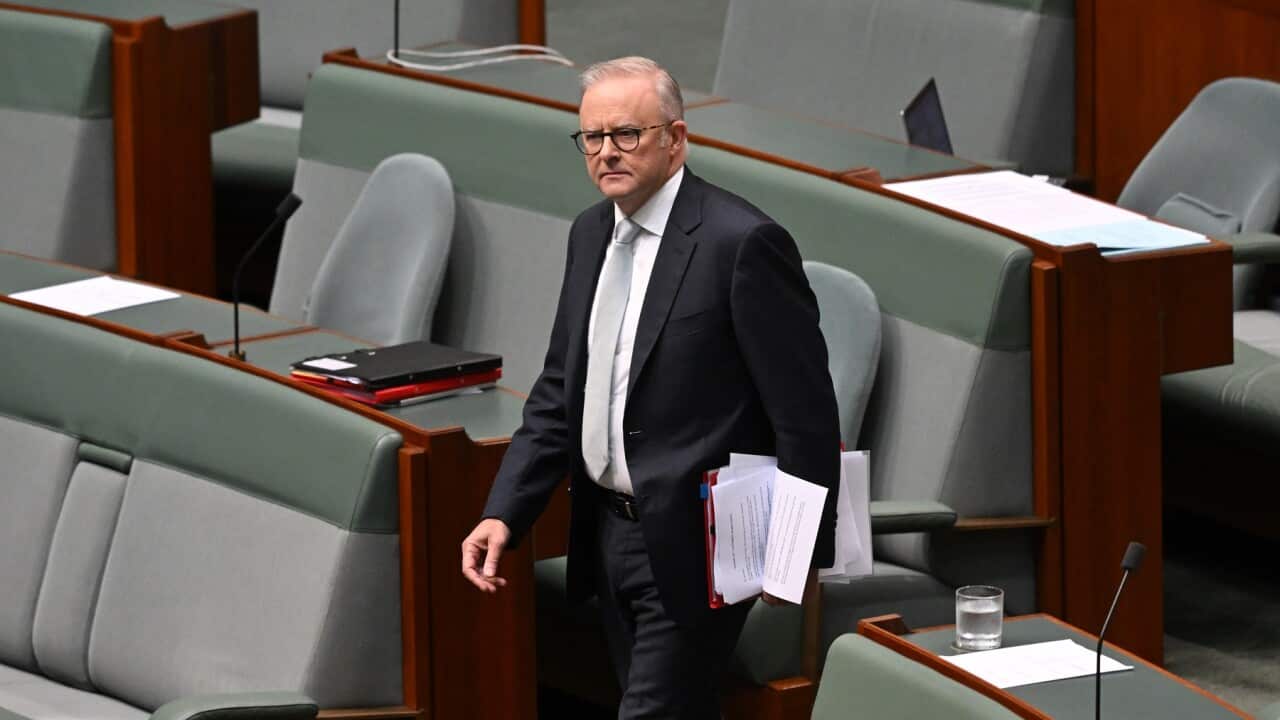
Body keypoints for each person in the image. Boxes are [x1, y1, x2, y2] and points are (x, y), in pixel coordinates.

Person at [462, 56, 841, 719]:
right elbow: (559, 393)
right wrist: (505, 511)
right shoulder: (589, 235)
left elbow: (804, 415)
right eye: (592, 138)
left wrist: (792, 554)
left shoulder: (741, 244)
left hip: (701, 543)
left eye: (627, 134)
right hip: (607, 533)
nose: (607, 152)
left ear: (676, 139)